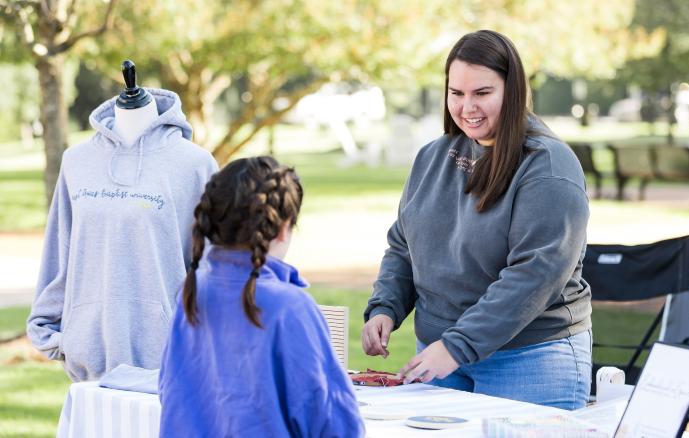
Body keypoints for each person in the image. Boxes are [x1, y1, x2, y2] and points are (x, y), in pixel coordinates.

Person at [362, 30, 592, 410]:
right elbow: (403, 246)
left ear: (512, 90)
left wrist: (457, 346)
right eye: (457, 93)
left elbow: (536, 272)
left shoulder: (548, 165)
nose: (468, 106)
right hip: (440, 358)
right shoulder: (432, 157)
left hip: (530, 359)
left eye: (482, 93)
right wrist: (386, 306)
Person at [26, 61, 218, 382]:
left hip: (170, 371)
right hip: (89, 375)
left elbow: (213, 269)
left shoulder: (196, 165)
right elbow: (59, 257)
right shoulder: (76, 163)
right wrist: (61, 337)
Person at [159, 157, 364, 437]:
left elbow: (170, 392)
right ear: (283, 228)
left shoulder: (192, 292)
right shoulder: (289, 307)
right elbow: (334, 423)